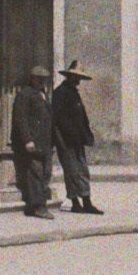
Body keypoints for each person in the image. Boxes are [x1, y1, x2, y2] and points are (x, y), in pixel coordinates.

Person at [51, 61, 102, 215]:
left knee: (82, 170)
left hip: (77, 139)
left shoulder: (73, 92)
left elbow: (81, 118)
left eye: (79, 77)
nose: (78, 80)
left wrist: (85, 135)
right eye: (76, 76)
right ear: (70, 76)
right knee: (72, 171)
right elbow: (57, 119)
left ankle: (87, 201)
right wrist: (62, 140)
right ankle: (75, 202)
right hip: (66, 140)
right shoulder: (60, 93)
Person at [10, 64, 54, 218]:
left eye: (44, 80)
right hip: (33, 143)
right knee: (35, 173)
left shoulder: (42, 95)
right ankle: (37, 206)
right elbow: (20, 119)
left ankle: (42, 202)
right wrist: (27, 140)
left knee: (46, 173)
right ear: (32, 79)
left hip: (45, 142)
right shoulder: (25, 95)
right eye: (39, 80)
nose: (42, 83)